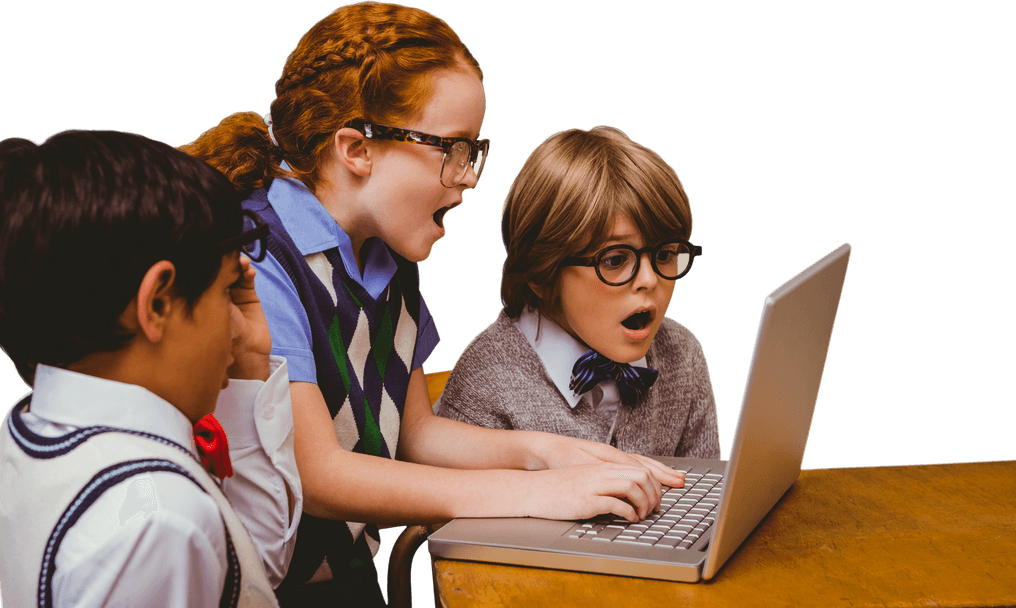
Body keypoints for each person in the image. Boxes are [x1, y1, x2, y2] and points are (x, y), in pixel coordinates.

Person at [182, 3, 684, 605]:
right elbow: (317, 476)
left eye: (475, 150)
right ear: (356, 149)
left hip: (341, 579)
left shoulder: (389, 255)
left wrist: (545, 453)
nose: (470, 176)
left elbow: (414, 432)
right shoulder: (260, 257)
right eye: (454, 149)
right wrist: (527, 495)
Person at [0, 129, 301, 607]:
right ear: (158, 303)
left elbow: (248, 569)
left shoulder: (37, 423)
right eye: (226, 290)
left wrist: (249, 364)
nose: (236, 325)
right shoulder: (157, 520)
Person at [437, 126, 721, 460]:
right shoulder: (483, 386)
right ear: (542, 274)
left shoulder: (682, 354)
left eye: (664, 255)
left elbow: (708, 496)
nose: (649, 279)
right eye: (615, 260)